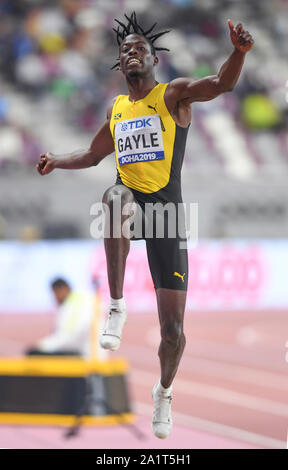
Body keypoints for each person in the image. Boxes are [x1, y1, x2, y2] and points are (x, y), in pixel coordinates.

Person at [36, 12, 254, 438]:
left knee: (173, 332)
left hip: (168, 217)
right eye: (124, 50)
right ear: (120, 65)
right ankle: (117, 306)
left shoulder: (173, 96)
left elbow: (222, 84)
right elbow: (94, 154)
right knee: (114, 195)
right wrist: (56, 160)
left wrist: (238, 52)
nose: (131, 53)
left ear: (154, 60)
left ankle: (164, 391)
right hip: (131, 205)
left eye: (140, 48)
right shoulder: (117, 109)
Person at [25, 277, 107, 360]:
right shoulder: (82, 300)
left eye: (55, 294)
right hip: (88, 353)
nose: (55, 298)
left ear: (63, 289)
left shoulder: (76, 305)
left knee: (34, 354)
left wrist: (43, 345)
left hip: (85, 356)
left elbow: (68, 337)